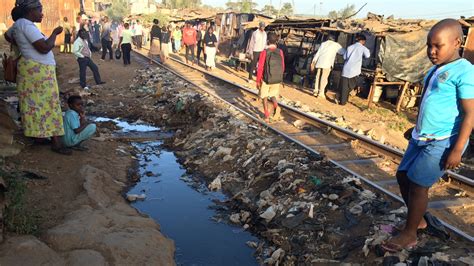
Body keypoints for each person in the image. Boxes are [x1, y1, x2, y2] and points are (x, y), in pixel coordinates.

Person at [382, 19, 474, 252]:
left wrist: (457, 149)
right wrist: (416, 128)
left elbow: (471, 113)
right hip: (421, 136)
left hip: (444, 141)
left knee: (418, 184)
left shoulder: (465, 71)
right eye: (428, 46)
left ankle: (410, 233)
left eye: (437, 46)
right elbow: (430, 103)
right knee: (403, 176)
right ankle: (420, 220)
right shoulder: (436, 68)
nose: (431, 51)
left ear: (456, 42)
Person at [6, 0, 70, 155]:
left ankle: (39, 137)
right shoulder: (26, 25)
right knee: (50, 104)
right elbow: (44, 48)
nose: (42, 13)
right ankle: (56, 142)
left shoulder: (18, 25)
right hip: (39, 70)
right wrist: (55, 33)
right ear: (30, 11)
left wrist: (21, 46)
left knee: (33, 104)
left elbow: (7, 36)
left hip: (31, 69)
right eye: (40, 10)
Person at [256, 32, 285, 123]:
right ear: (276, 41)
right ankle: (277, 107)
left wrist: (258, 80)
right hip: (276, 78)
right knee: (273, 95)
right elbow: (283, 66)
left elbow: (260, 67)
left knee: (264, 97)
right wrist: (279, 76)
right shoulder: (280, 52)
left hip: (266, 79)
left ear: (267, 41)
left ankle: (267, 116)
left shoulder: (265, 52)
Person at [337, 34, 370, 105]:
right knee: (351, 85)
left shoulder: (350, 47)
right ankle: (342, 99)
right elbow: (367, 55)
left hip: (346, 69)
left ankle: (342, 101)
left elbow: (345, 57)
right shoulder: (363, 48)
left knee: (344, 86)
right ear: (363, 41)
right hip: (355, 70)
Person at [310, 35, 344, 99]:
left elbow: (318, 53)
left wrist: (313, 62)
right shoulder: (336, 45)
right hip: (327, 64)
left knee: (318, 77)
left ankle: (315, 91)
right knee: (324, 79)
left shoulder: (323, 44)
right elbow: (343, 52)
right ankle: (321, 93)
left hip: (319, 62)